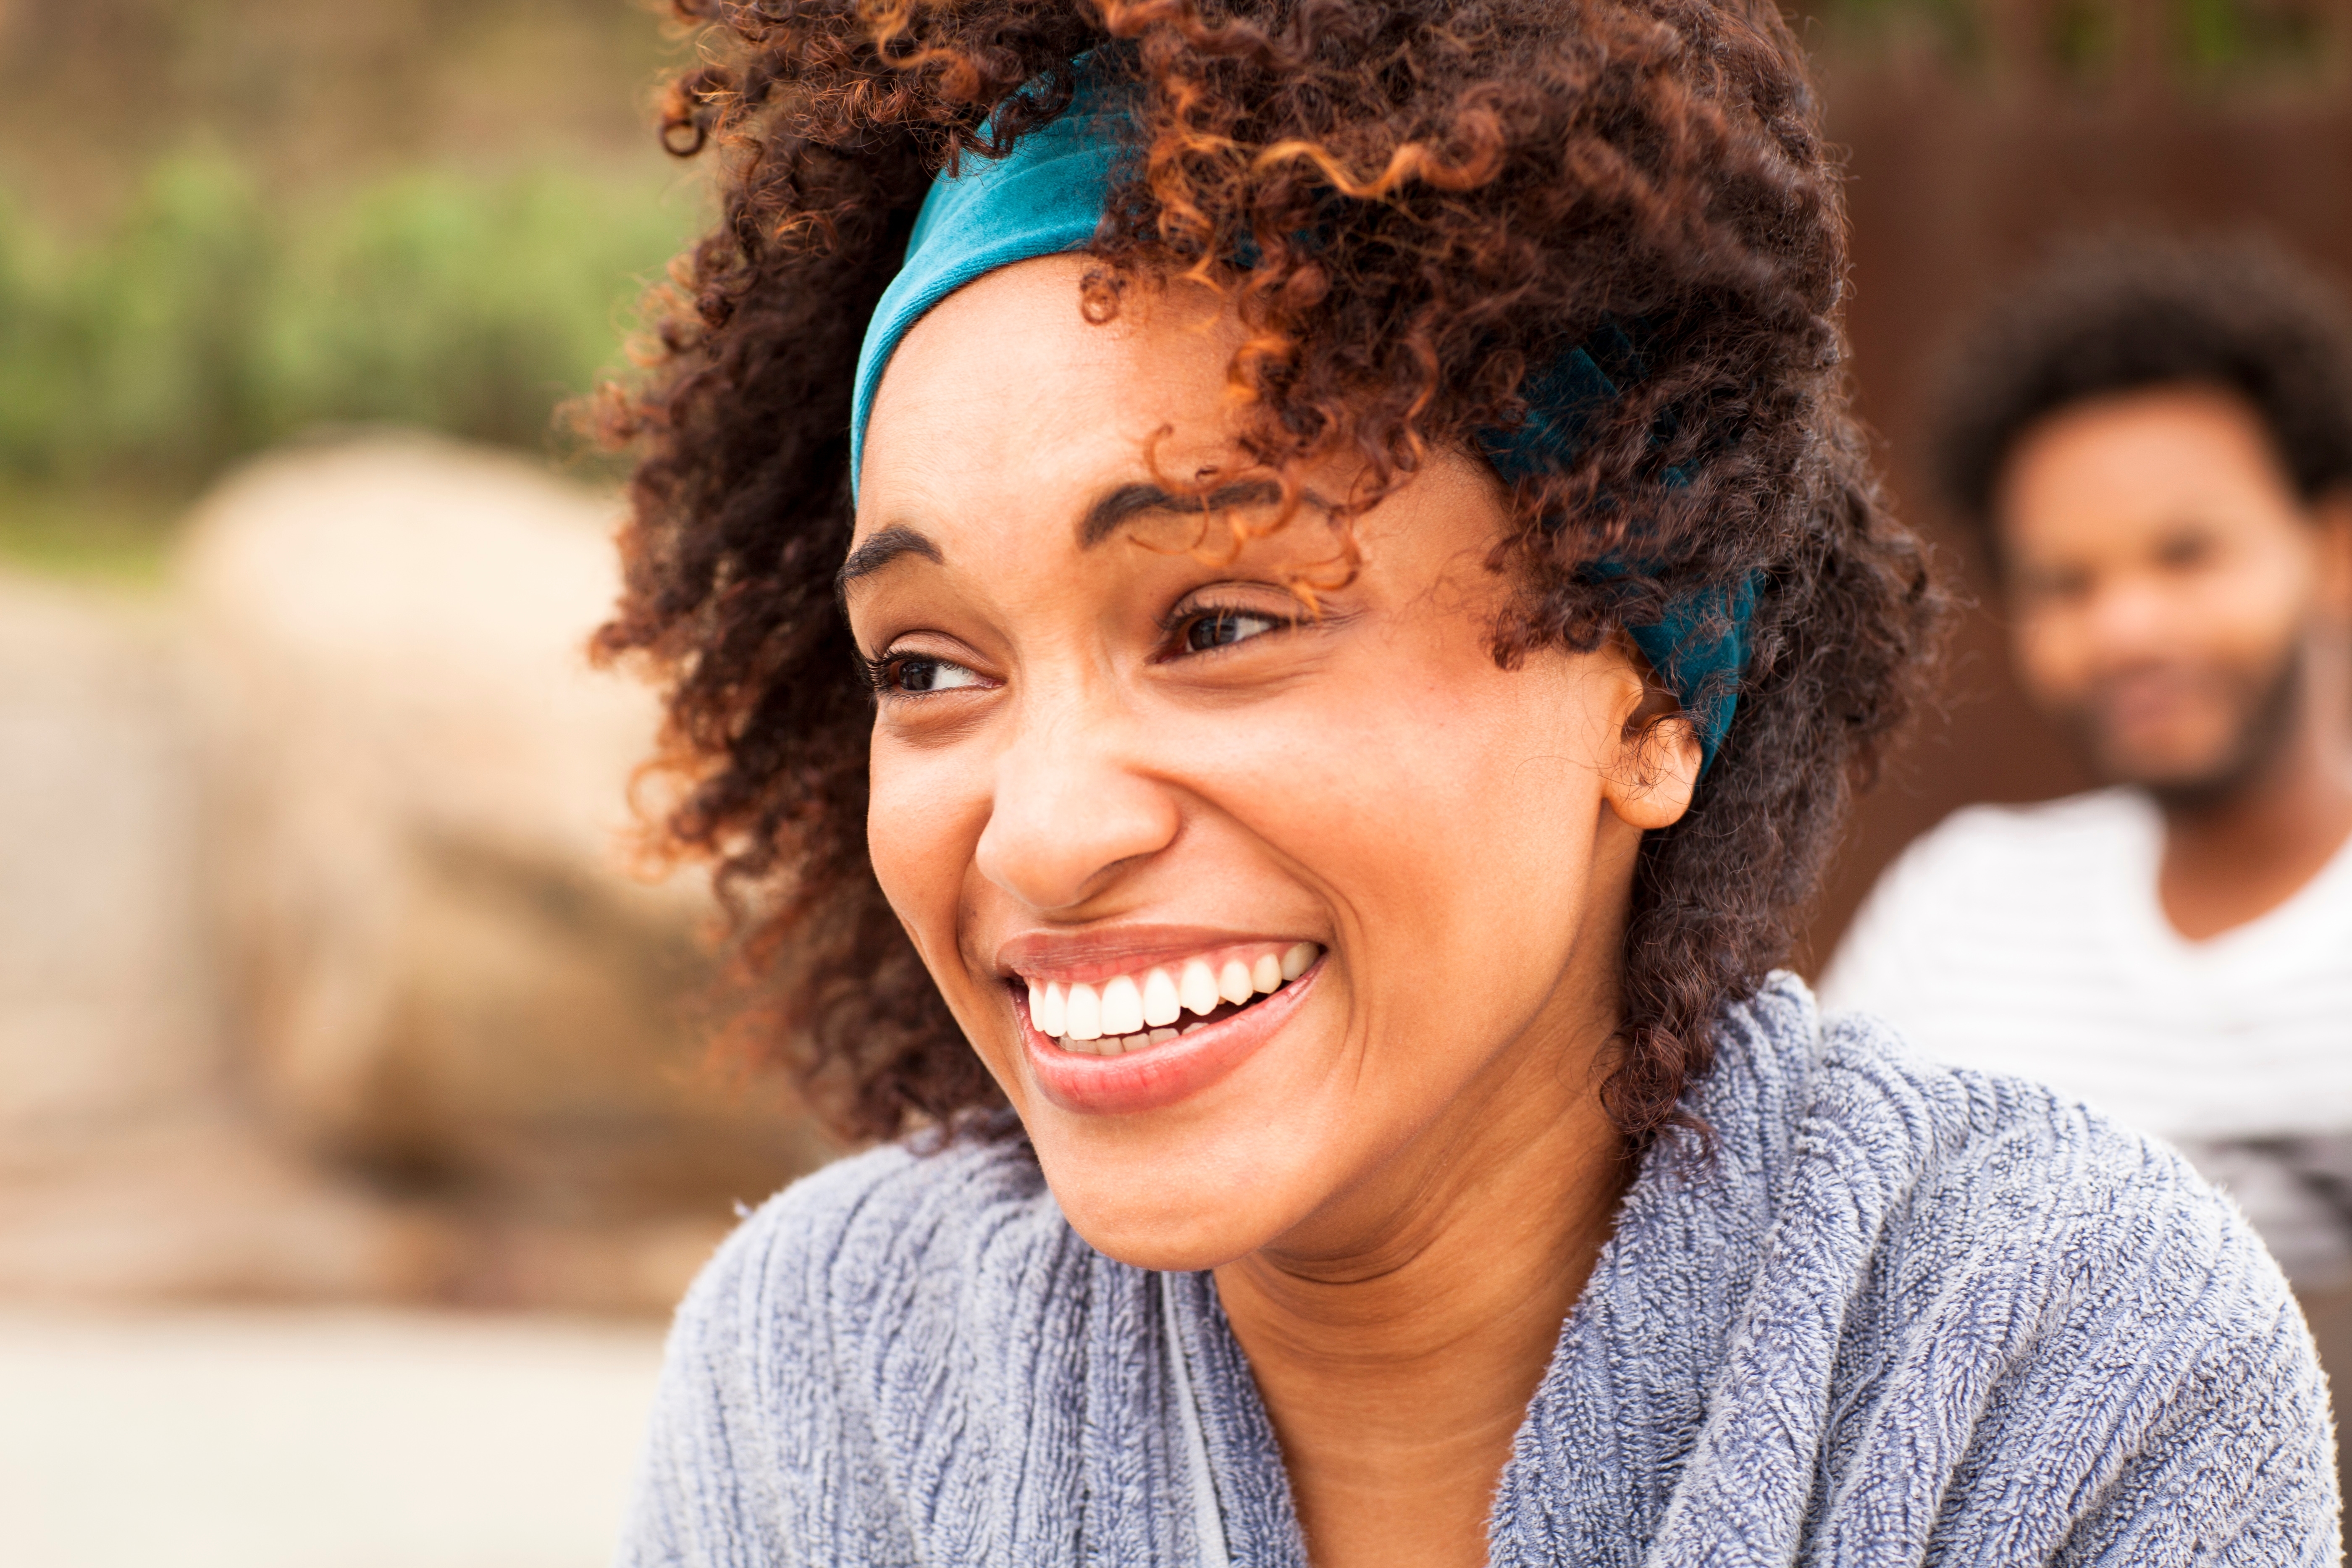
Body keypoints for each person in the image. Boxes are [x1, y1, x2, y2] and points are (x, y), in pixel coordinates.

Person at [598, 6, 2332, 1563]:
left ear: (1650, 683)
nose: (1042, 832)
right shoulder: (829, 1375)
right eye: (927, 668)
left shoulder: (2056, 1367)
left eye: (1218, 620)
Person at [1821, 239, 2352, 1287]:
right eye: (2065, 582)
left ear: (2331, 550)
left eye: (2186, 554)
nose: (2127, 628)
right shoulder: (1964, 906)